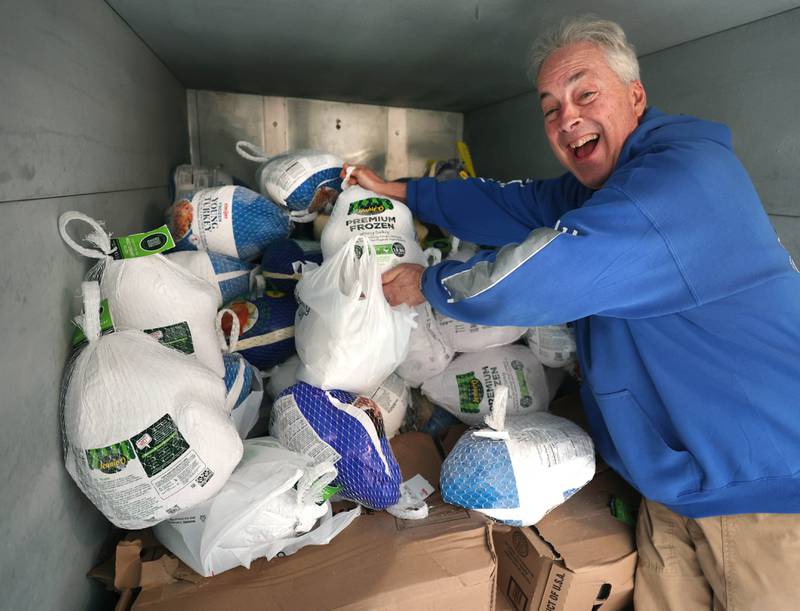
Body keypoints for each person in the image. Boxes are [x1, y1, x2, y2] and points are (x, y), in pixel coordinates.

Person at [342, 15, 800, 610]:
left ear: (635, 97)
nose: (567, 118)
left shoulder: (681, 183)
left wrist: (429, 283)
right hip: (673, 488)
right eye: (550, 106)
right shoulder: (607, 182)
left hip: (763, 495)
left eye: (586, 93)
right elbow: (518, 203)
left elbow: (545, 272)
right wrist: (407, 191)